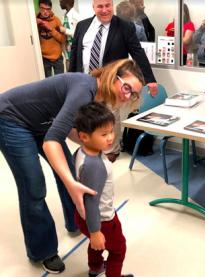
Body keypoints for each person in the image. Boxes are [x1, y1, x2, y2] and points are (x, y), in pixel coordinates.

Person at [0, 59, 144, 274]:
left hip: (42, 122)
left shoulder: (98, 98)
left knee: (71, 173)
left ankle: (76, 222)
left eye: (133, 94)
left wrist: (96, 147)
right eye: (126, 88)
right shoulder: (84, 90)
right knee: (34, 187)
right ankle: (43, 251)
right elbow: (52, 141)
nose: (127, 96)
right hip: (11, 119)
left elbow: (68, 128)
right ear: (113, 77)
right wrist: (70, 181)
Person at [69, 0, 157, 162]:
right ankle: (92, 144)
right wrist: (70, 79)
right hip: (84, 79)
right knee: (87, 113)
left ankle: (112, 149)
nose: (104, 10)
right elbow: (75, 53)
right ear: (93, 7)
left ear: (112, 5)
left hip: (110, 81)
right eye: (100, 6)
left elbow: (138, 53)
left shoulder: (124, 26)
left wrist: (150, 79)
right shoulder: (82, 26)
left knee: (110, 115)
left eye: (107, 5)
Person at [73, 102, 133, 277]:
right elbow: (91, 201)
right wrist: (95, 231)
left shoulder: (80, 152)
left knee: (96, 245)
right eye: (104, 134)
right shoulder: (95, 165)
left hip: (82, 215)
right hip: (102, 220)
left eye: (112, 131)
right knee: (118, 250)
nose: (110, 138)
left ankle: (95, 267)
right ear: (84, 136)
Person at [37, 0, 66, 77]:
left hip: (57, 57)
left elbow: (62, 39)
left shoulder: (56, 20)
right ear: (39, 8)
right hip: (43, 58)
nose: (45, 12)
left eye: (48, 9)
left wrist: (51, 29)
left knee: (60, 82)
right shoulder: (34, 21)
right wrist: (36, 25)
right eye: (43, 9)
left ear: (51, 9)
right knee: (47, 84)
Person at [58, 0, 81, 70]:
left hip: (75, 49)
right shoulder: (65, 16)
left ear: (66, 2)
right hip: (67, 50)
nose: (59, 3)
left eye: (60, 1)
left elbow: (79, 33)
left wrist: (65, 30)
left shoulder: (76, 16)